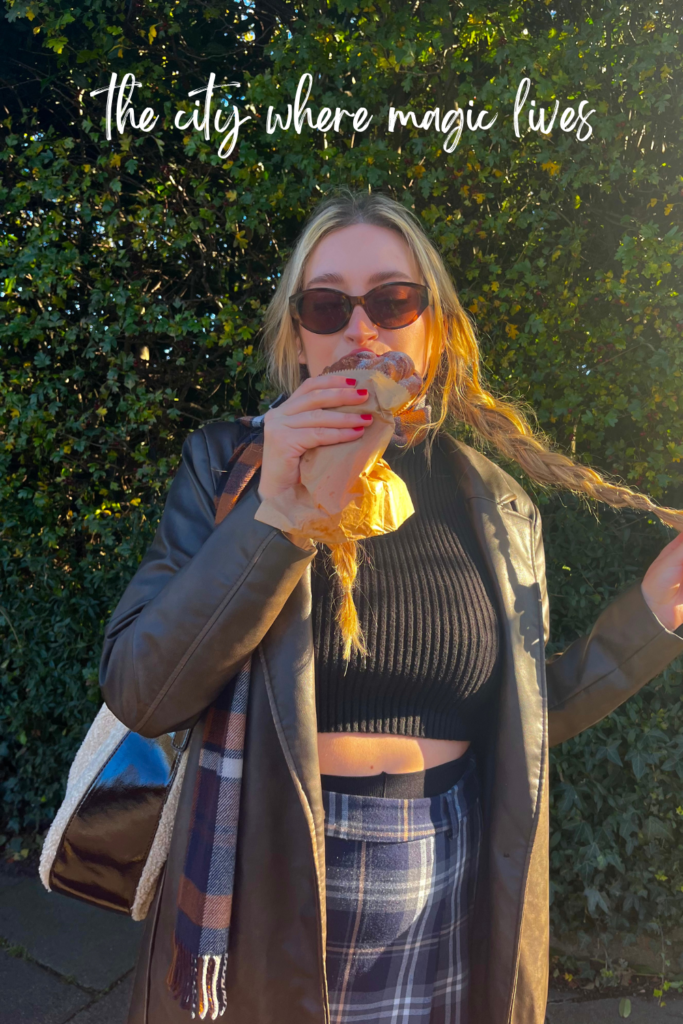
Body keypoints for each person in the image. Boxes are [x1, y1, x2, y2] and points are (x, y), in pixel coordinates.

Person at [100, 189, 683, 1024]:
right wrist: (284, 518)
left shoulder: (493, 502)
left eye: (392, 301)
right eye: (328, 306)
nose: (360, 331)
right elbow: (143, 689)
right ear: (298, 340)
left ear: (432, 329)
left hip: (448, 883)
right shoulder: (228, 467)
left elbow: (524, 717)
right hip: (264, 886)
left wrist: (656, 610)